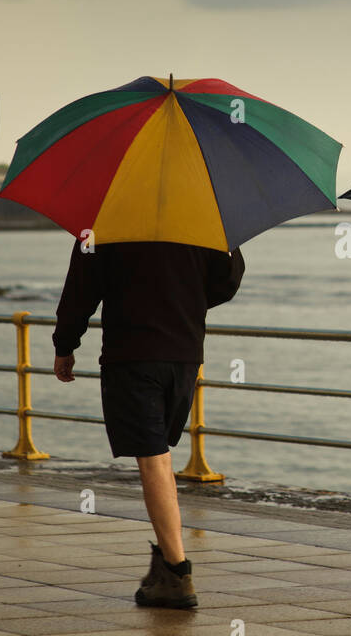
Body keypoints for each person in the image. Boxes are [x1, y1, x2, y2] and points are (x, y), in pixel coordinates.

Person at [52, 238, 244, 608]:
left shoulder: (106, 217)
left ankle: (176, 572)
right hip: (184, 356)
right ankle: (167, 564)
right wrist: (182, 299)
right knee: (159, 454)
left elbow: (81, 287)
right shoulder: (200, 216)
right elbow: (228, 280)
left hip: (133, 356)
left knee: (153, 458)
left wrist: (65, 344)